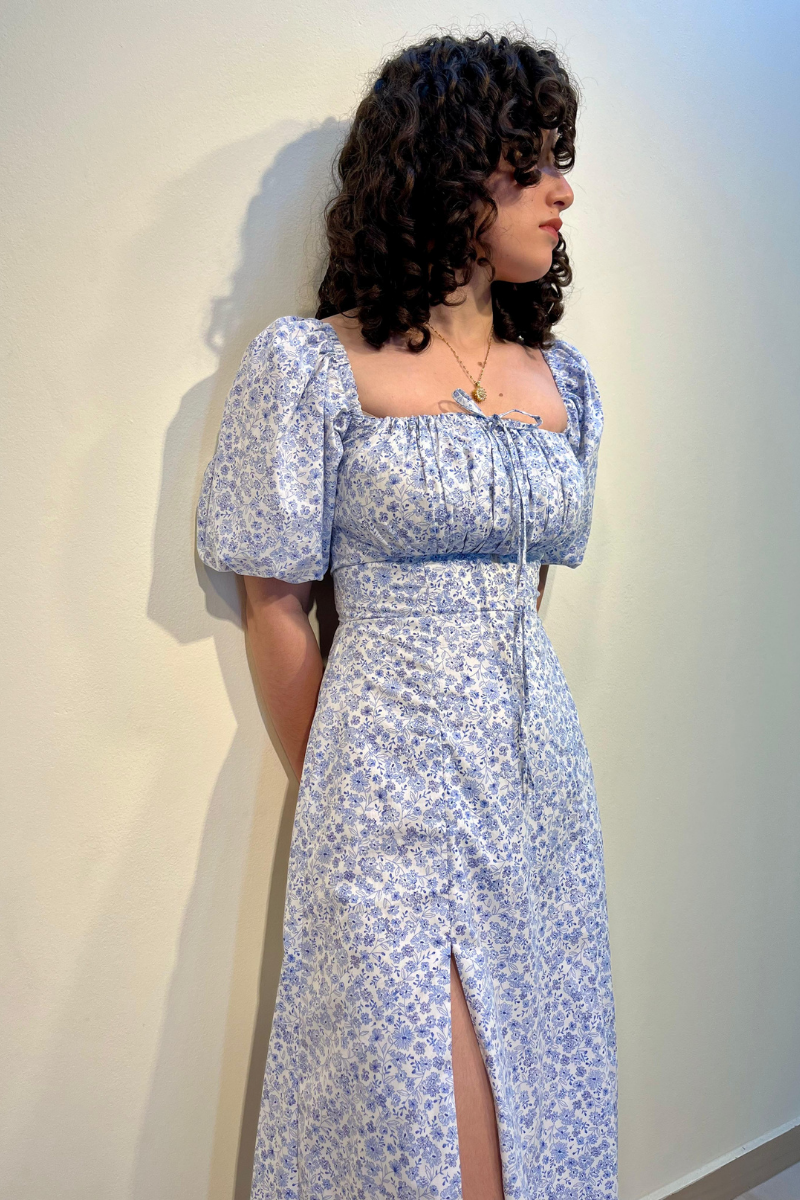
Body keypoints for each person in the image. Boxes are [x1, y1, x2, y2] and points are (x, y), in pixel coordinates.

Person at [196, 30, 617, 1200]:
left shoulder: (562, 382)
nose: (560, 191)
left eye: (560, 162)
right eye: (529, 165)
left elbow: (525, 583)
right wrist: (346, 779)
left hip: (536, 782)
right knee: (420, 1113)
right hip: (385, 790)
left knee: (541, 1090)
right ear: (446, 172)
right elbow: (275, 599)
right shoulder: (314, 367)